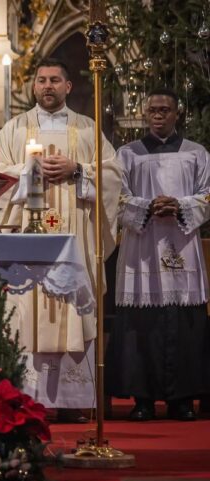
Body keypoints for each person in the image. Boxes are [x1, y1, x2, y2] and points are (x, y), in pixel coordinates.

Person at [0, 58, 122, 420]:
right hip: (29, 240)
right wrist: (30, 172)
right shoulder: (14, 130)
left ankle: (72, 402)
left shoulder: (86, 129)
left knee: (73, 305)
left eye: (54, 80)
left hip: (76, 237)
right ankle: (30, 398)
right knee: (26, 310)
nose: (47, 86)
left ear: (68, 87)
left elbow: (113, 176)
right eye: (41, 80)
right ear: (33, 87)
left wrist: (78, 169)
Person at [105, 88, 210, 421]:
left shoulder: (197, 153)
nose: (159, 115)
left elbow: (207, 196)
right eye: (153, 110)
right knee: (141, 323)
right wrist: (147, 206)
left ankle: (183, 400)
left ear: (177, 114)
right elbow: (115, 199)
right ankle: (143, 399)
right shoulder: (127, 155)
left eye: (166, 110)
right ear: (145, 113)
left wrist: (180, 205)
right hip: (142, 248)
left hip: (183, 245)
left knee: (185, 322)